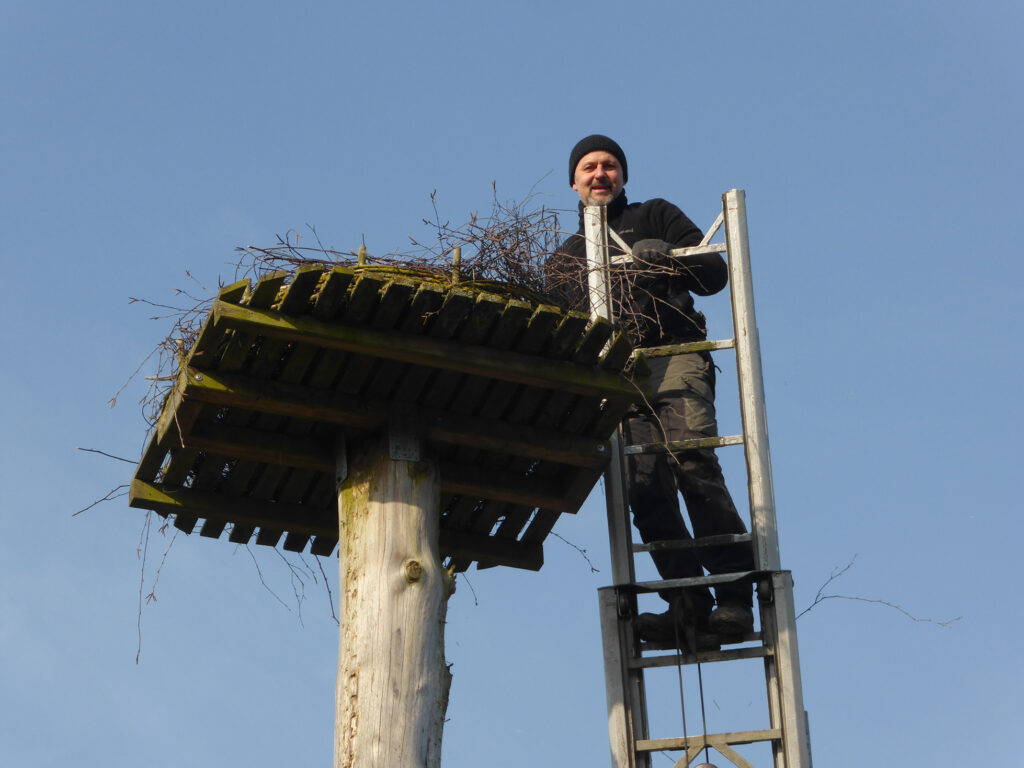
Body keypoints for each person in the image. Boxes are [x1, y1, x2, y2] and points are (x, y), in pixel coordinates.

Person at [547, 135, 755, 649]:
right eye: (590, 167)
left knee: (692, 461)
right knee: (642, 489)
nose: (600, 174)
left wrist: (667, 260)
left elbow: (714, 274)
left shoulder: (655, 213)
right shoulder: (565, 259)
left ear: (623, 176)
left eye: (610, 165)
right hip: (614, 377)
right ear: (574, 181)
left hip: (673, 355)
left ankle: (733, 595)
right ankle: (686, 601)